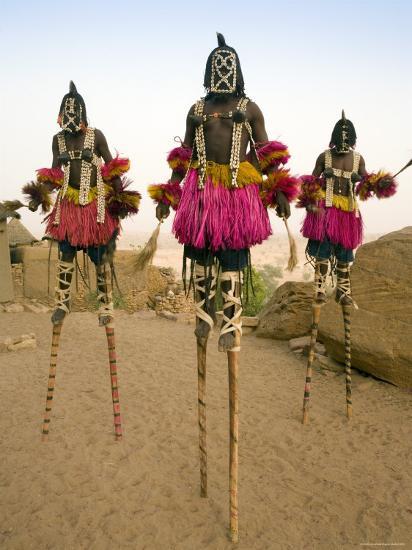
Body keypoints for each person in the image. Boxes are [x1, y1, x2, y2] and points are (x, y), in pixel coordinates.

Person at [149, 33, 300, 351]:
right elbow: (184, 155)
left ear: (238, 73)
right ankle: (204, 315)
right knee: (201, 255)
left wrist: (279, 193)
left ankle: (230, 324)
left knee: (231, 258)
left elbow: (265, 153)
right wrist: (168, 195)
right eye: (216, 67)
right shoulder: (196, 110)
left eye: (227, 67)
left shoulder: (250, 109)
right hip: (201, 192)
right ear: (207, 74)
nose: (222, 73)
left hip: (236, 194)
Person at [24, 81, 139, 325]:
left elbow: (111, 168)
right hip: (68, 207)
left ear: (83, 113)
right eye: (66, 112)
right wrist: (38, 196)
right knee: (65, 255)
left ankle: (105, 306)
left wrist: (120, 198)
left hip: (95, 207)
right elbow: (54, 174)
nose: (70, 116)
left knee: (100, 258)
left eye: (74, 111)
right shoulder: (58, 140)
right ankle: (62, 304)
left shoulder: (96, 136)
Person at [297, 110, 397, 306]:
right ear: (334, 138)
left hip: (348, 212)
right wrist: (310, 201)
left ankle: (343, 289)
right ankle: (319, 287)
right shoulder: (323, 157)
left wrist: (377, 183)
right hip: (325, 209)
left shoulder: (358, 159)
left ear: (352, 139)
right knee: (323, 250)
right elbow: (310, 184)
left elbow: (367, 184)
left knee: (345, 251)